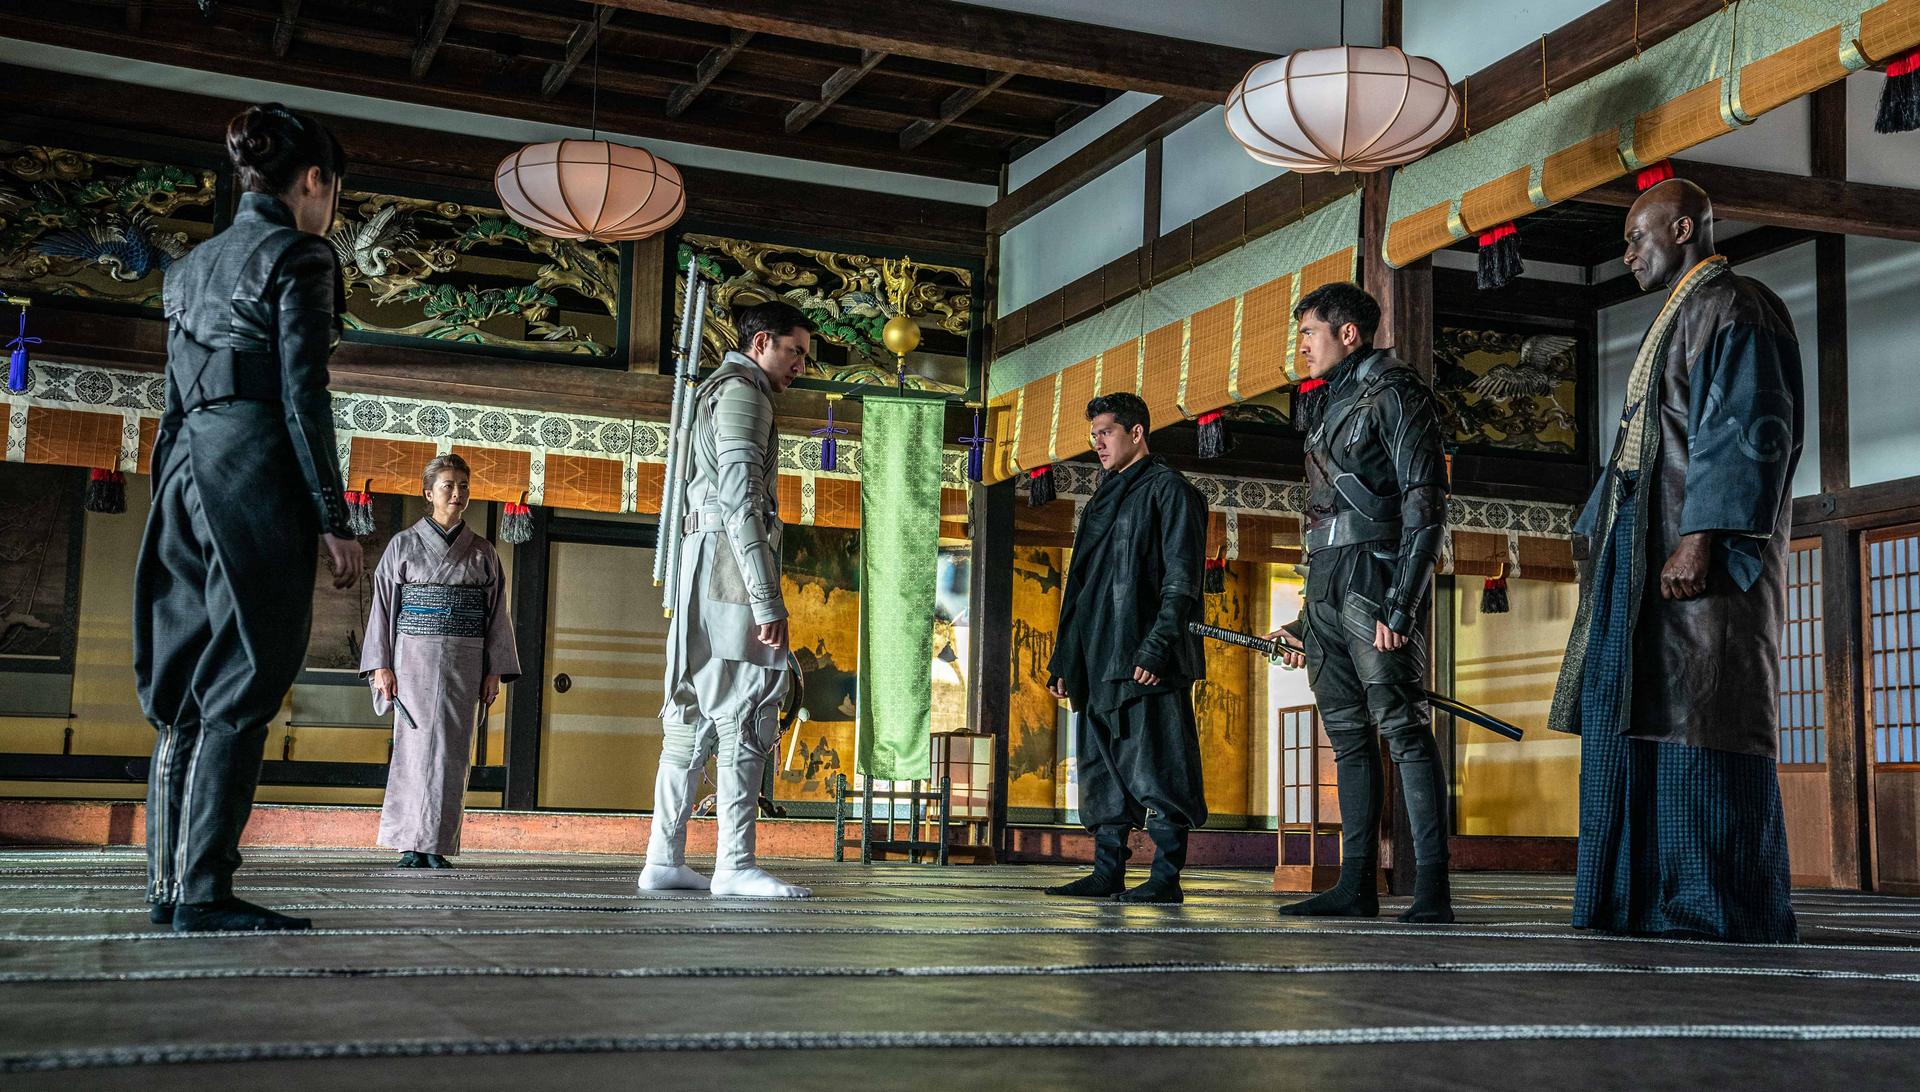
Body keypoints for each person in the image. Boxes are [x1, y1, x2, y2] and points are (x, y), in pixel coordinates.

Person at [1549, 179, 1801, 943]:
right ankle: (1633, 902)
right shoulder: (1679, 312)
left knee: (1699, 713)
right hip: (1640, 540)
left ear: (1684, 228)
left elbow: (1751, 429)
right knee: (1629, 712)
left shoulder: (1739, 305)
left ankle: (1708, 906)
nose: (1628, 254)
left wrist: (1702, 535)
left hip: (1695, 547)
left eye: (1637, 238)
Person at [133, 103, 362, 932]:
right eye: (333, 194)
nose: (330, 210)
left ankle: (170, 889)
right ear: (314, 181)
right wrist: (333, 515)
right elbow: (303, 396)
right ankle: (204, 891)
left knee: (183, 686)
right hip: (254, 472)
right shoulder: (301, 253)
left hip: (183, 474)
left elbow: (171, 407)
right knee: (245, 676)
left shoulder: (187, 267)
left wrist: (168, 498)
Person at [1268, 282, 1453, 924]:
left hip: (1376, 578)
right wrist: (1304, 620)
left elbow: (1426, 503)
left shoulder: (1398, 392)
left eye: (1308, 332)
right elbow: (1326, 517)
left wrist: (1402, 607)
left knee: (1402, 730)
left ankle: (1432, 891)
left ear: (1348, 333)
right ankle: (1355, 885)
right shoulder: (1327, 403)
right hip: (1325, 579)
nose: (1301, 345)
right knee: (1347, 737)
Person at [640, 300, 814, 899]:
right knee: (746, 707)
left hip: (700, 562)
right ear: (761, 343)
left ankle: (663, 858)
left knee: (689, 716)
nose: (800, 365)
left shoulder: (715, 390)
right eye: (794, 351)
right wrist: (767, 599)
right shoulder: (744, 393)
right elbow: (742, 502)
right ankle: (735, 863)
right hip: (727, 566)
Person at [1043, 392, 1209, 904]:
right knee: (1101, 768)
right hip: (1097, 654)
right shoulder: (1102, 498)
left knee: (1159, 764)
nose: (1098, 443)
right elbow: (1080, 586)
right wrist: (1066, 658)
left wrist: (1157, 647)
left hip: (1144, 656)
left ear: (1137, 433)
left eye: (1107, 432)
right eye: (1094, 435)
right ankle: (1106, 871)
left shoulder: (1170, 491)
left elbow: (1182, 581)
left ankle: (1165, 878)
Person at [362, 454, 521, 869]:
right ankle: (408, 843)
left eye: (463, 486)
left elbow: (496, 615)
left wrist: (494, 670)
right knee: (413, 751)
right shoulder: (403, 545)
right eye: (448, 485)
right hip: (413, 658)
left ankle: (436, 844)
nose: (457, 493)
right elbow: (383, 608)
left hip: (465, 660)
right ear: (428, 493)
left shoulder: (483, 551)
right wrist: (381, 666)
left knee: (453, 752)